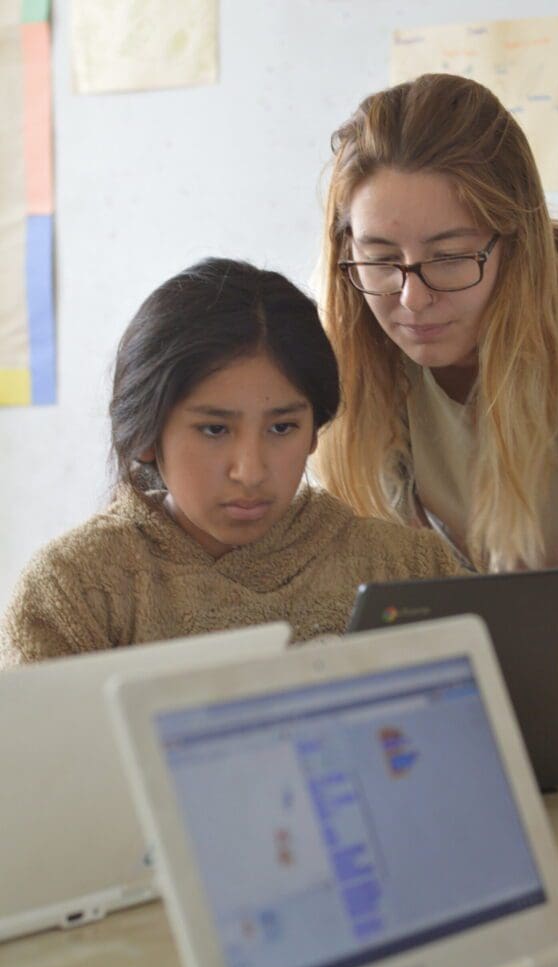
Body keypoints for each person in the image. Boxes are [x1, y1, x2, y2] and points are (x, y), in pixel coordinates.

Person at [315, 73, 558, 706]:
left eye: (450, 256)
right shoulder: (353, 330)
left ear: (514, 241)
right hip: (497, 625)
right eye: (380, 257)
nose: (412, 299)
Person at [0, 258, 464, 667]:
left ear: (313, 432)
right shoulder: (74, 591)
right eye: (214, 430)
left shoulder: (406, 571)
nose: (250, 471)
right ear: (146, 435)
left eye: (282, 428)